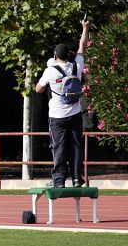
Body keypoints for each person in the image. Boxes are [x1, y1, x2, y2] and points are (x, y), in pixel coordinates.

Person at [35, 19, 90, 188]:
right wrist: (85, 28)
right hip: (75, 114)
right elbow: (82, 47)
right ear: (69, 55)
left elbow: (38, 89)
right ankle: (76, 178)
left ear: (55, 56)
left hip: (57, 116)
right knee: (75, 146)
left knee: (58, 147)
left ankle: (59, 181)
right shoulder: (76, 67)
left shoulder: (50, 70)